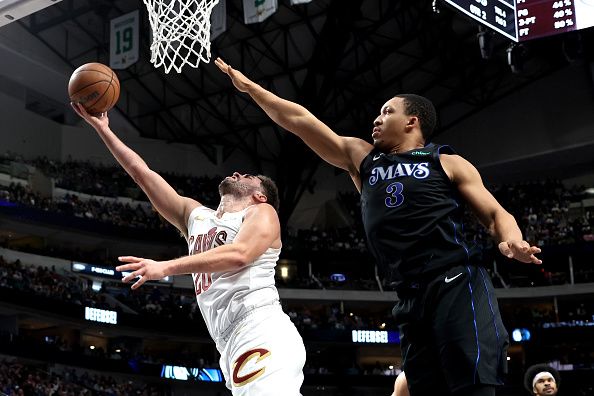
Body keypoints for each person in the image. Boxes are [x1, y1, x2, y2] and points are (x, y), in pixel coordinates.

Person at [215, 57, 542, 396]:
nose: (377, 118)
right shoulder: (363, 158)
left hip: (456, 282)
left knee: (472, 382)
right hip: (408, 293)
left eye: (387, 112)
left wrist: (511, 240)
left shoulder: (446, 162)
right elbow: (301, 121)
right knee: (424, 387)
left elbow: (496, 214)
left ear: (412, 121)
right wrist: (252, 88)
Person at [70, 103, 306, 396]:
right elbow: (140, 173)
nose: (237, 173)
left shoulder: (262, 213)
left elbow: (240, 255)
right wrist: (103, 130)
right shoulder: (196, 216)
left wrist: (165, 267)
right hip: (228, 342)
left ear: (259, 195)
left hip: (260, 326)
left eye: (247, 176)